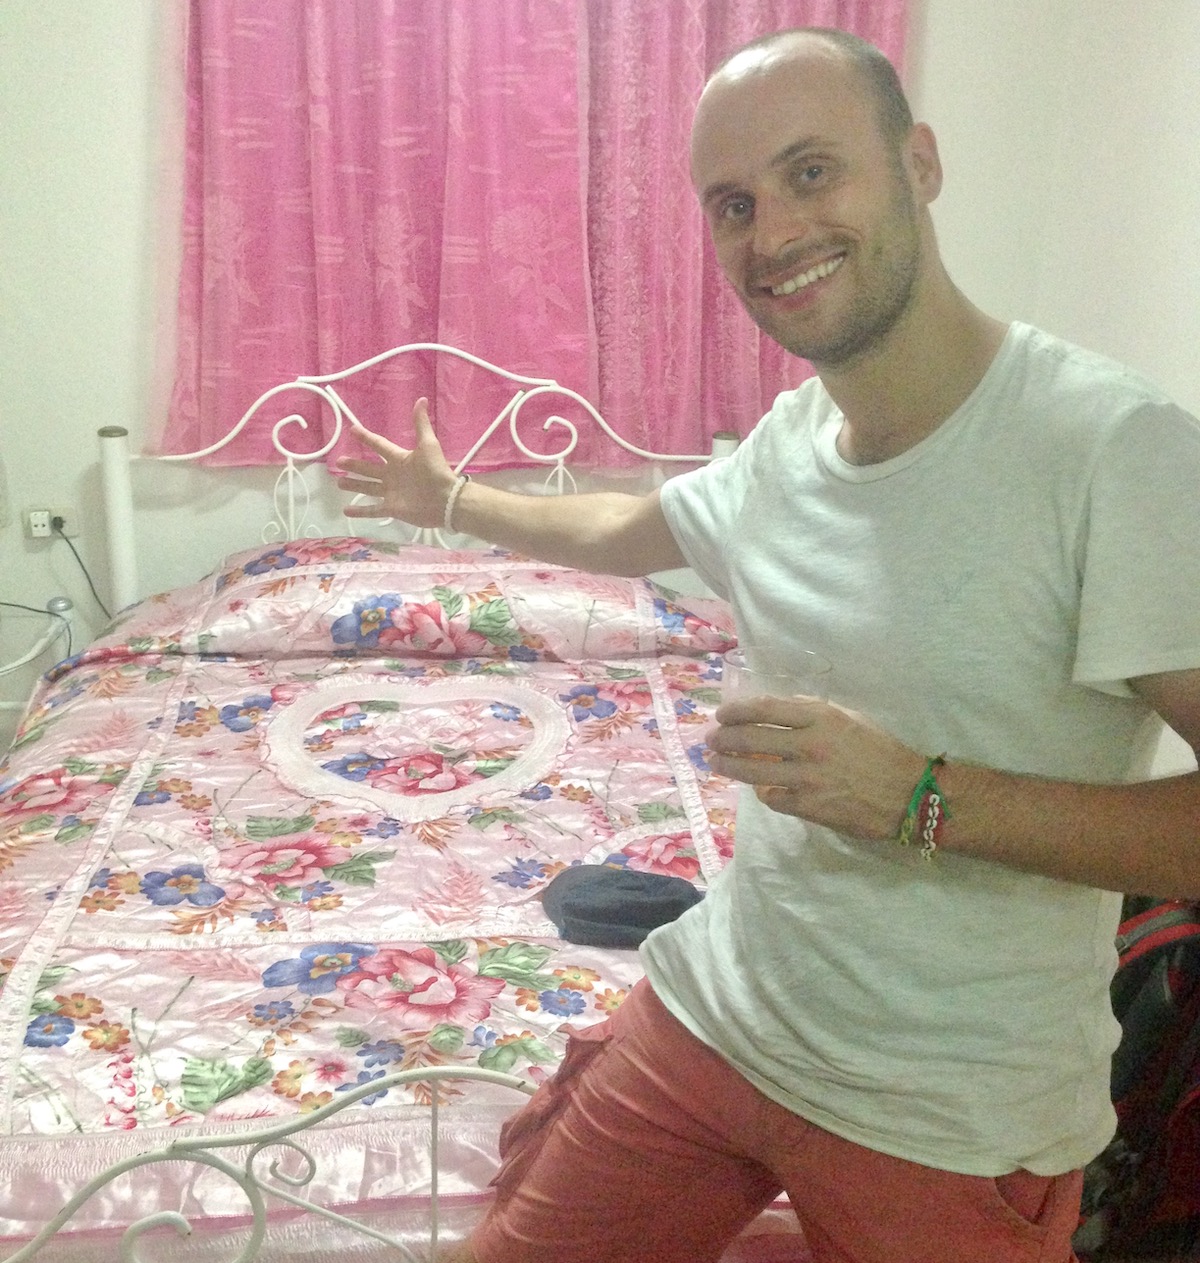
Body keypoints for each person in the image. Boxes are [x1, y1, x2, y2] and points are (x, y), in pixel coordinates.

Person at [335, 27, 1200, 1263]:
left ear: (921, 163)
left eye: (811, 173)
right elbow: (633, 525)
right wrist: (454, 504)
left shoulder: (1114, 453)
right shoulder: (791, 445)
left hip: (942, 1114)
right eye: (733, 204)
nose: (773, 234)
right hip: (717, 1020)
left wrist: (918, 799)